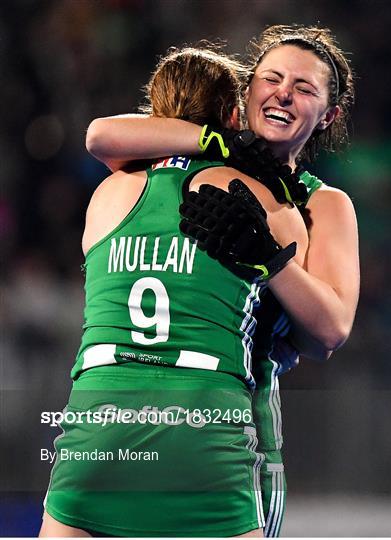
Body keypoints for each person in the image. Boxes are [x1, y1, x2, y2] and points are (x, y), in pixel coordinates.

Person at [85, 24, 360, 537]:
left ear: (328, 115)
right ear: (246, 91)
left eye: (304, 88)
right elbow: (100, 135)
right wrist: (221, 142)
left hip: (244, 427)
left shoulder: (322, 203)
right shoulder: (198, 166)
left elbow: (329, 331)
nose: (283, 92)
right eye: (271, 78)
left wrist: (270, 261)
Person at [40, 47, 309, 538]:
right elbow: (299, 328)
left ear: (153, 110)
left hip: (99, 413)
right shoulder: (270, 200)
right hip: (205, 415)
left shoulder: (107, 194)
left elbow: (102, 136)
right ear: (234, 114)